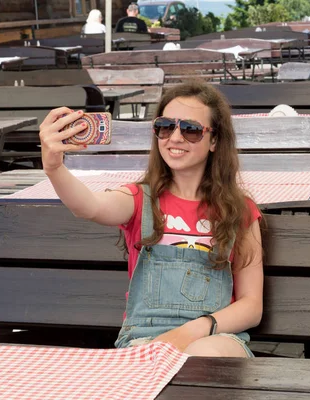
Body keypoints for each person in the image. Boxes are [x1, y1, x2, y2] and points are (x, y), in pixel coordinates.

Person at [39, 81, 264, 357]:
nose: (175, 137)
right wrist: (53, 167)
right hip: (144, 341)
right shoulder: (138, 200)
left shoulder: (239, 211)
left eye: (191, 130)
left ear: (215, 140)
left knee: (203, 355)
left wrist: (192, 331)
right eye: (166, 127)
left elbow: (252, 305)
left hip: (216, 337)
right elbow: (89, 206)